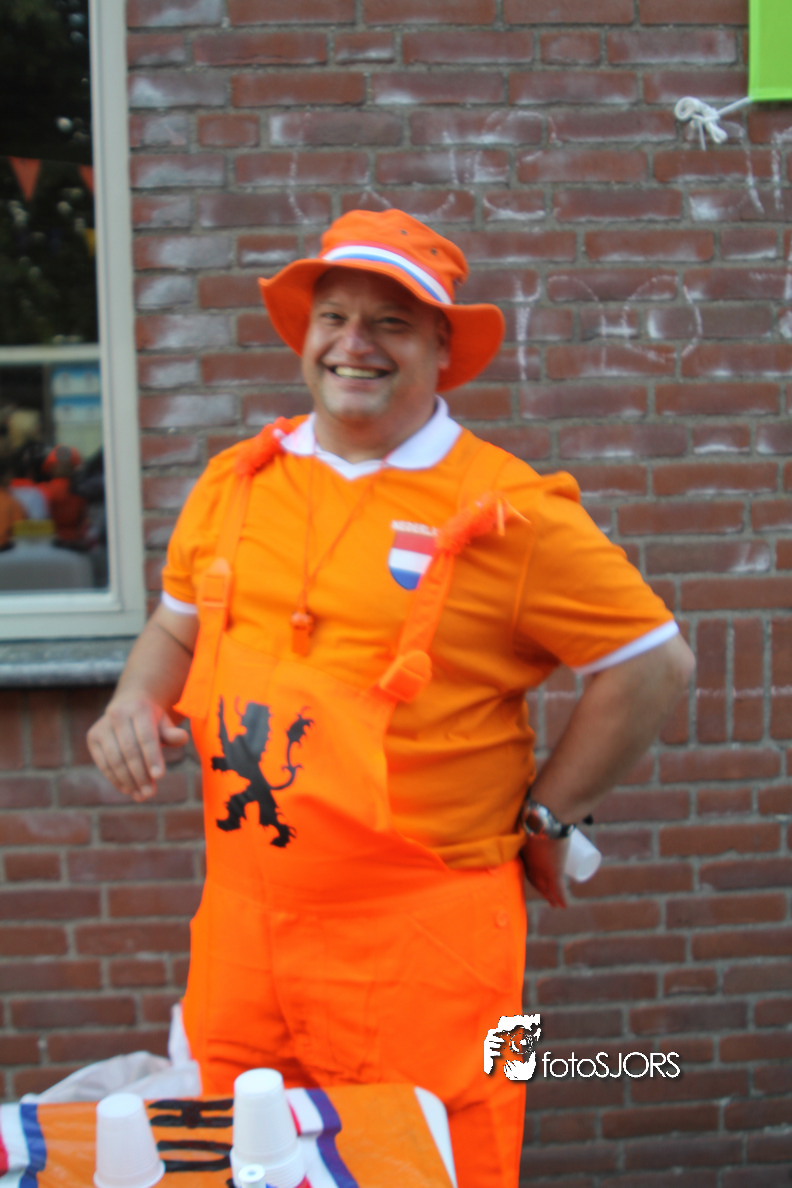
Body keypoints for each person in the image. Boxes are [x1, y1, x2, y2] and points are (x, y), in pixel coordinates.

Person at [87, 210, 694, 1188]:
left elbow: (654, 663)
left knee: (435, 1162)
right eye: (334, 316)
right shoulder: (235, 482)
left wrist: (549, 814)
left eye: (392, 323)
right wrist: (133, 700)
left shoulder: (511, 510)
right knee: (236, 1164)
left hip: (430, 951)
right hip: (242, 935)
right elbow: (177, 625)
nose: (353, 344)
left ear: (442, 348)